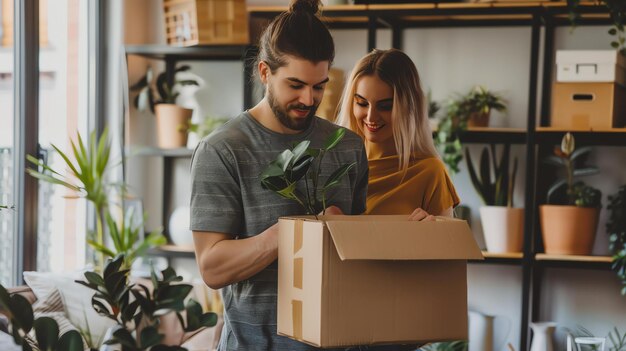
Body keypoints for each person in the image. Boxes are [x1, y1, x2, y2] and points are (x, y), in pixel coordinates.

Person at [189, 0, 368, 350]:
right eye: (295, 84)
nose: (308, 98)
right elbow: (212, 267)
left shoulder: (347, 147)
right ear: (264, 72)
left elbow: (358, 258)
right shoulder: (223, 151)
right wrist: (296, 233)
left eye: (319, 86)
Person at [337, 49, 459, 219]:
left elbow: (448, 244)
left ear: (409, 106)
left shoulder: (430, 173)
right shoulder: (336, 167)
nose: (371, 116)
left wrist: (430, 234)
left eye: (385, 106)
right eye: (362, 103)